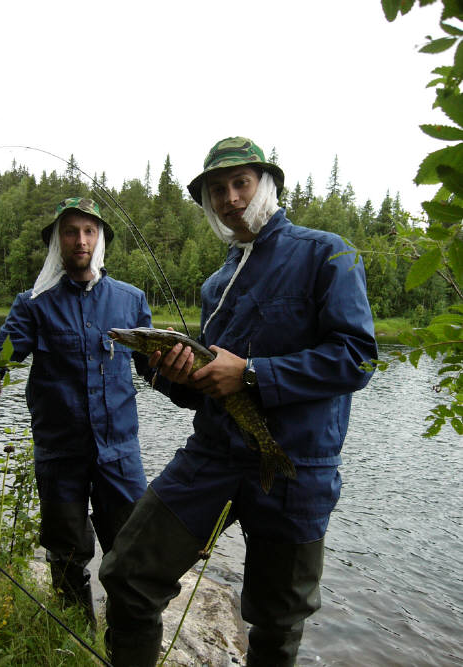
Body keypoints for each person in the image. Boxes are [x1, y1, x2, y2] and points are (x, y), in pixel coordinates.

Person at [99, 137, 378, 666]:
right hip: (214, 456)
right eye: (216, 190)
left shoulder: (326, 251)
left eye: (240, 183)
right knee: (127, 572)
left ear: (265, 185)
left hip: (297, 464)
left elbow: (357, 358)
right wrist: (169, 373)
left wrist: (251, 374)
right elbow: (206, 391)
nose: (229, 198)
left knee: (277, 621)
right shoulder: (216, 284)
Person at [0, 197, 153, 625]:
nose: (81, 240)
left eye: (89, 231)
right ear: (56, 242)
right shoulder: (33, 303)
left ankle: (125, 645)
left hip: (120, 458)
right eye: (70, 231)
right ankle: (74, 643)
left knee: (132, 557)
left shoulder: (132, 301)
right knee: (66, 560)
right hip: (60, 457)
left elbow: (155, 372)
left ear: (100, 239)